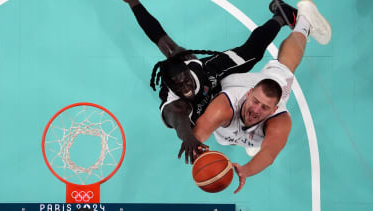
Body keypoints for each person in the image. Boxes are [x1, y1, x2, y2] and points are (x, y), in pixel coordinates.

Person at [122, 0, 298, 164]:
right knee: (221, 131)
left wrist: (134, 3)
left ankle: (282, 16)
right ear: (173, 86)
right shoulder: (174, 106)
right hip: (212, 111)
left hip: (213, 75)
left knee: (253, 51)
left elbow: (158, 35)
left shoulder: (195, 66)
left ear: (189, 72)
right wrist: (188, 138)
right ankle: (247, 137)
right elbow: (179, 121)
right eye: (179, 86)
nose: (186, 87)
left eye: (186, 81)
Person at [192, 0, 331, 193]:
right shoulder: (224, 107)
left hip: (264, 90)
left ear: (275, 109)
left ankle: (305, 20)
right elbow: (202, 129)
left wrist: (246, 170)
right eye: (256, 102)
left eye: (265, 107)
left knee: (284, 69)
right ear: (249, 94)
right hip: (232, 83)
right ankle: (292, 18)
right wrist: (195, 148)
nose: (257, 109)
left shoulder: (279, 119)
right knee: (256, 53)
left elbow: (269, 153)